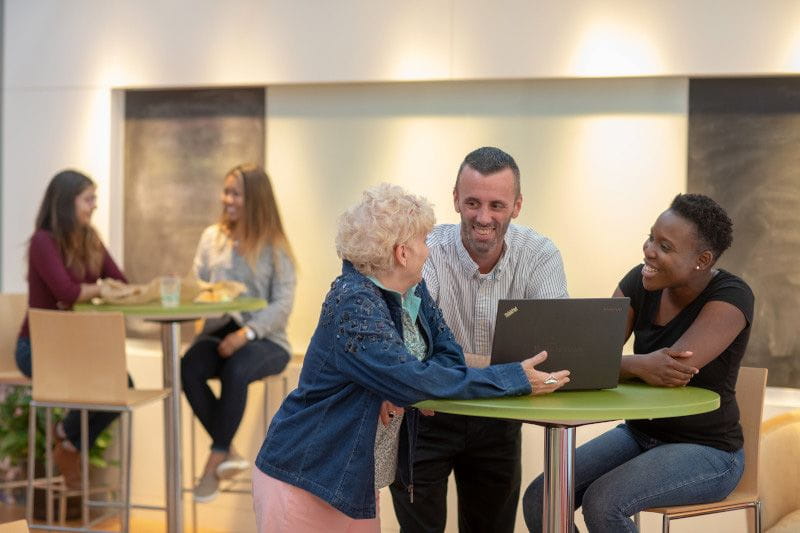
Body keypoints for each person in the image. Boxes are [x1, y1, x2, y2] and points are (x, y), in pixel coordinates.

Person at [251, 183, 570, 533]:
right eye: (422, 242)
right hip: (307, 474)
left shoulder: (412, 290)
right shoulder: (353, 302)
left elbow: (446, 353)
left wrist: (411, 386)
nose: (428, 252)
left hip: (352, 481)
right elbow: (413, 378)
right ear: (402, 252)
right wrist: (513, 379)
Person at [522, 193, 753, 532]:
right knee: (542, 497)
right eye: (651, 238)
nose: (648, 250)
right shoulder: (641, 281)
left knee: (604, 504)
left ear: (702, 259)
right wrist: (638, 364)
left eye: (665, 247)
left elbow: (672, 370)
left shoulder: (732, 296)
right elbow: (585, 354)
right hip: (639, 433)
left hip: (709, 451)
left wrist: (621, 363)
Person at [390, 146, 568, 533]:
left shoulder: (539, 255)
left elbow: (552, 350)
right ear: (455, 198)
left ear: (517, 205)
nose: (483, 217)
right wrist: (505, 368)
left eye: (496, 205)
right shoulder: (426, 253)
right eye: (472, 202)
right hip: (425, 413)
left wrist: (462, 364)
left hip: (500, 418)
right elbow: (415, 353)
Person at [181, 163, 296, 502]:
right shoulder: (211, 238)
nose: (226, 199)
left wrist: (245, 334)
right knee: (187, 367)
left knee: (238, 367)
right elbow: (197, 284)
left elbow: (282, 305)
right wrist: (199, 294)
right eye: (226, 190)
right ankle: (228, 450)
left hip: (267, 341)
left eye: (235, 193)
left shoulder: (275, 247)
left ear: (255, 200)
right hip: (218, 330)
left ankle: (215, 458)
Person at [15, 169, 131, 489]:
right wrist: (100, 288)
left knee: (124, 384)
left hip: (75, 348)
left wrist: (96, 287)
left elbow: (120, 281)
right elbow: (66, 292)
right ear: (67, 202)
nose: (94, 206)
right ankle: (68, 442)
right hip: (36, 349)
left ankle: (67, 440)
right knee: (109, 383)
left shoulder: (90, 238)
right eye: (88, 199)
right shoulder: (43, 241)